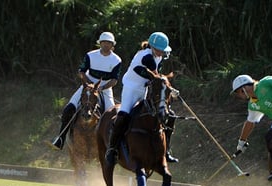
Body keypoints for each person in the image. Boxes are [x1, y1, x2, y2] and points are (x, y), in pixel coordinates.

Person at [105, 31, 179, 165]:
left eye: (163, 51)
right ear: (152, 47)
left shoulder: (158, 57)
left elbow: (158, 80)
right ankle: (112, 149)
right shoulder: (146, 57)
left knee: (168, 115)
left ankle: (166, 150)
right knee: (124, 115)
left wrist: (170, 90)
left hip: (146, 89)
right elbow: (157, 78)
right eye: (160, 50)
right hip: (131, 88)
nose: (162, 53)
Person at [50, 32, 122, 150]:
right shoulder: (91, 55)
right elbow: (81, 72)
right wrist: (89, 84)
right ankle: (60, 139)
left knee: (113, 116)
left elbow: (114, 80)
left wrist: (102, 88)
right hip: (87, 86)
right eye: (103, 42)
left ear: (112, 45)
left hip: (105, 89)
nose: (105, 45)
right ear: (100, 43)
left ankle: (112, 147)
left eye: (108, 43)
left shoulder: (116, 60)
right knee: (69, 108)